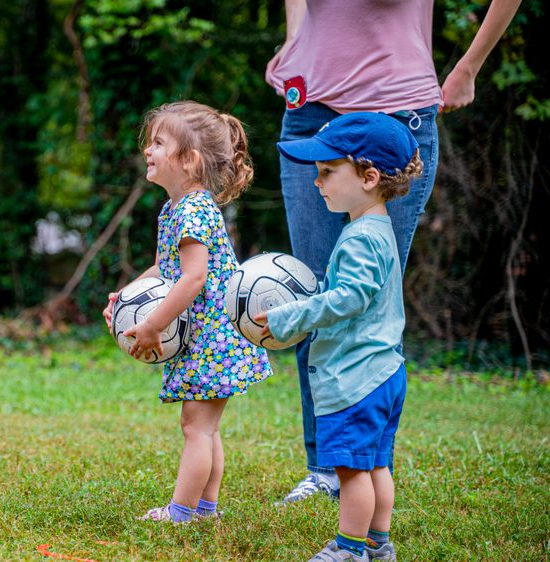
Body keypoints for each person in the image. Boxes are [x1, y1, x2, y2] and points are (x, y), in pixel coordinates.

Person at [264, 0, 523, 503]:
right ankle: (325, 469)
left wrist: (468, 66)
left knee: (370, 304)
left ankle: (366, 471)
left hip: (395, 117)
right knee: (312, 295)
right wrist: (296, 40)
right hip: (308, 109)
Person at [255, 112, 423, 561]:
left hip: (356, 378)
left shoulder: (359, 239)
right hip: (384, 373)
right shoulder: (377, 229)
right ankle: (377, 543)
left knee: (351, 473)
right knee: (376, 465)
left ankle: (348, 549)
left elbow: (349, 298)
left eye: (328, 172)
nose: (318, 183)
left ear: (369, 177)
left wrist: (290, 317)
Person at [102, 101, 274, 523]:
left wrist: (152, 324)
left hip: (211, 339)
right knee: (205, 428)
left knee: (196, 428)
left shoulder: (194, 210)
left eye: (159, 142)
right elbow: (166, 269)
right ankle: (204, 509)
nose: (148, 150)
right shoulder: (176, 208)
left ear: (189, 160)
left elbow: (193, 279)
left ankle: (181, 512)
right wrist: (127, 295)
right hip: (213, 338)